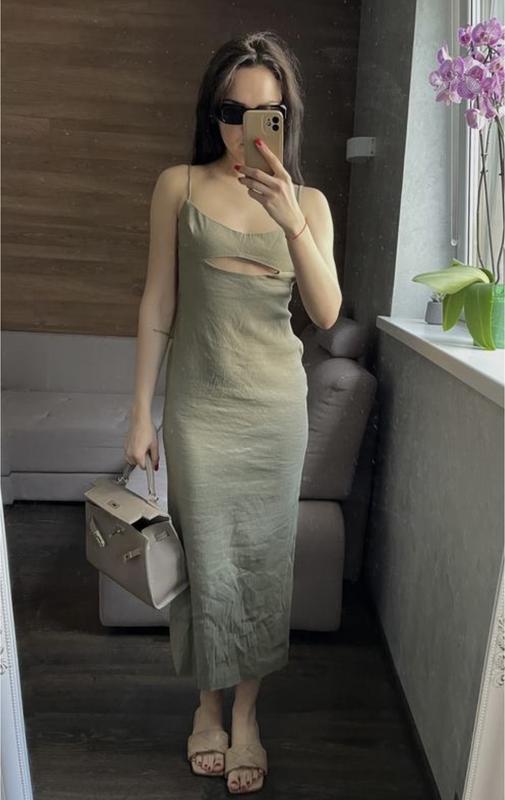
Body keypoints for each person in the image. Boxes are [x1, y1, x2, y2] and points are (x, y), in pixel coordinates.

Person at [124, 29, 342, 795]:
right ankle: (206, 705)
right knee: (206, 562)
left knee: (261, 566)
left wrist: (289, 219)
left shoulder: (308, 204)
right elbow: (157, 304)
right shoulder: (178, 186)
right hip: (199, 410)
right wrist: (140, 412)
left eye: (264, 113)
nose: (244, 128)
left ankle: (245, 714)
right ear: (210, 114)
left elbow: (325, 311)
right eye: (230, 111)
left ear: (285, 117)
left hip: (274, 413)